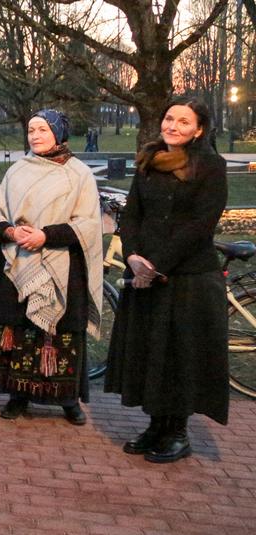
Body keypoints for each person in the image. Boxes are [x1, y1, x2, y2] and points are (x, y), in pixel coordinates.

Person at [105, 97, 229, 463]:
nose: (173, 126)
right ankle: (156, 425)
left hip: (187, 277)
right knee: (151, 353)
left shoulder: (210, 166)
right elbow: (132, 216)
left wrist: (155, 265)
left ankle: (178, 431)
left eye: (183, 121)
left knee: (180, 356)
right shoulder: (149, 162)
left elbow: (201, 225)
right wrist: (131, 255)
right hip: (145, 273)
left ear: (199, 129)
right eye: (169, 118)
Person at [0, 109, 103, 425]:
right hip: (16, 262)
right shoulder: (17, 170)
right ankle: (17, 395)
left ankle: (67, 399)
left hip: (61, 263)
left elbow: (87, 222)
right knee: (18, 331)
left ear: (58, 134)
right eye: (31, 130)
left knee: (59, 335)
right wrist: (10, 231)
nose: (35, 135)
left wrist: (46, 235)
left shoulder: (79, 174)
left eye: (42, 130)